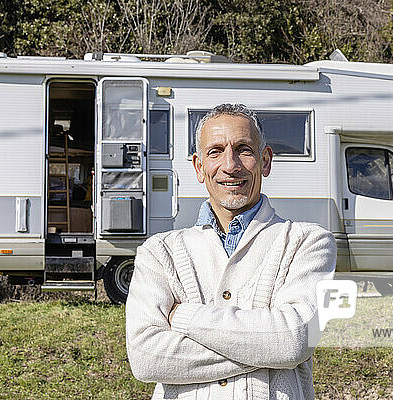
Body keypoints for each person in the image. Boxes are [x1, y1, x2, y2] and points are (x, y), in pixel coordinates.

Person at [126, 103, 337, 400]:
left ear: (265, 161)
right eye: (215, 152)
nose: (230, 165)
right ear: (199, 167)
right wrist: (265, 350)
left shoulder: (307, 242)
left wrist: (185, 318)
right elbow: (145, 358)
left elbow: (294, 340)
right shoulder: (160, 252)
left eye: (243, 150)